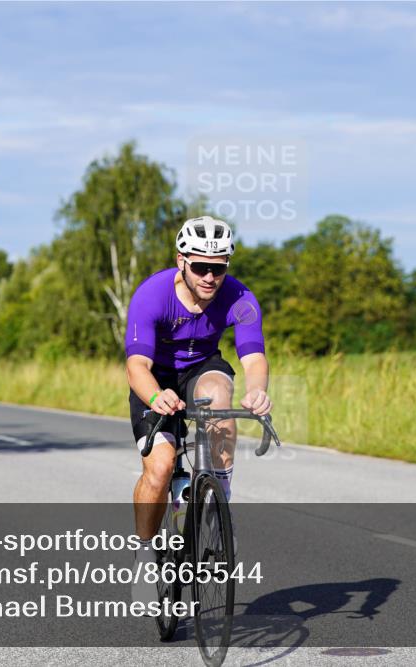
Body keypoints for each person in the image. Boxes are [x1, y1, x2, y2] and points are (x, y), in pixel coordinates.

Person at [125, 216, 272, 600]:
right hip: (156, 376)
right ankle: (145, 554)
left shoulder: (240, 297)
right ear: (182, 261)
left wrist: (257, 391)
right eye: (201, 267)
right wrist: (155, 397)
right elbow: (136, 365)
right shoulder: (152, 294)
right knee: (159, 468)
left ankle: (219, 503)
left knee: (219, 396)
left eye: (218, 268)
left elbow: (254, 357)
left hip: (202, 368)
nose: (209, 277)